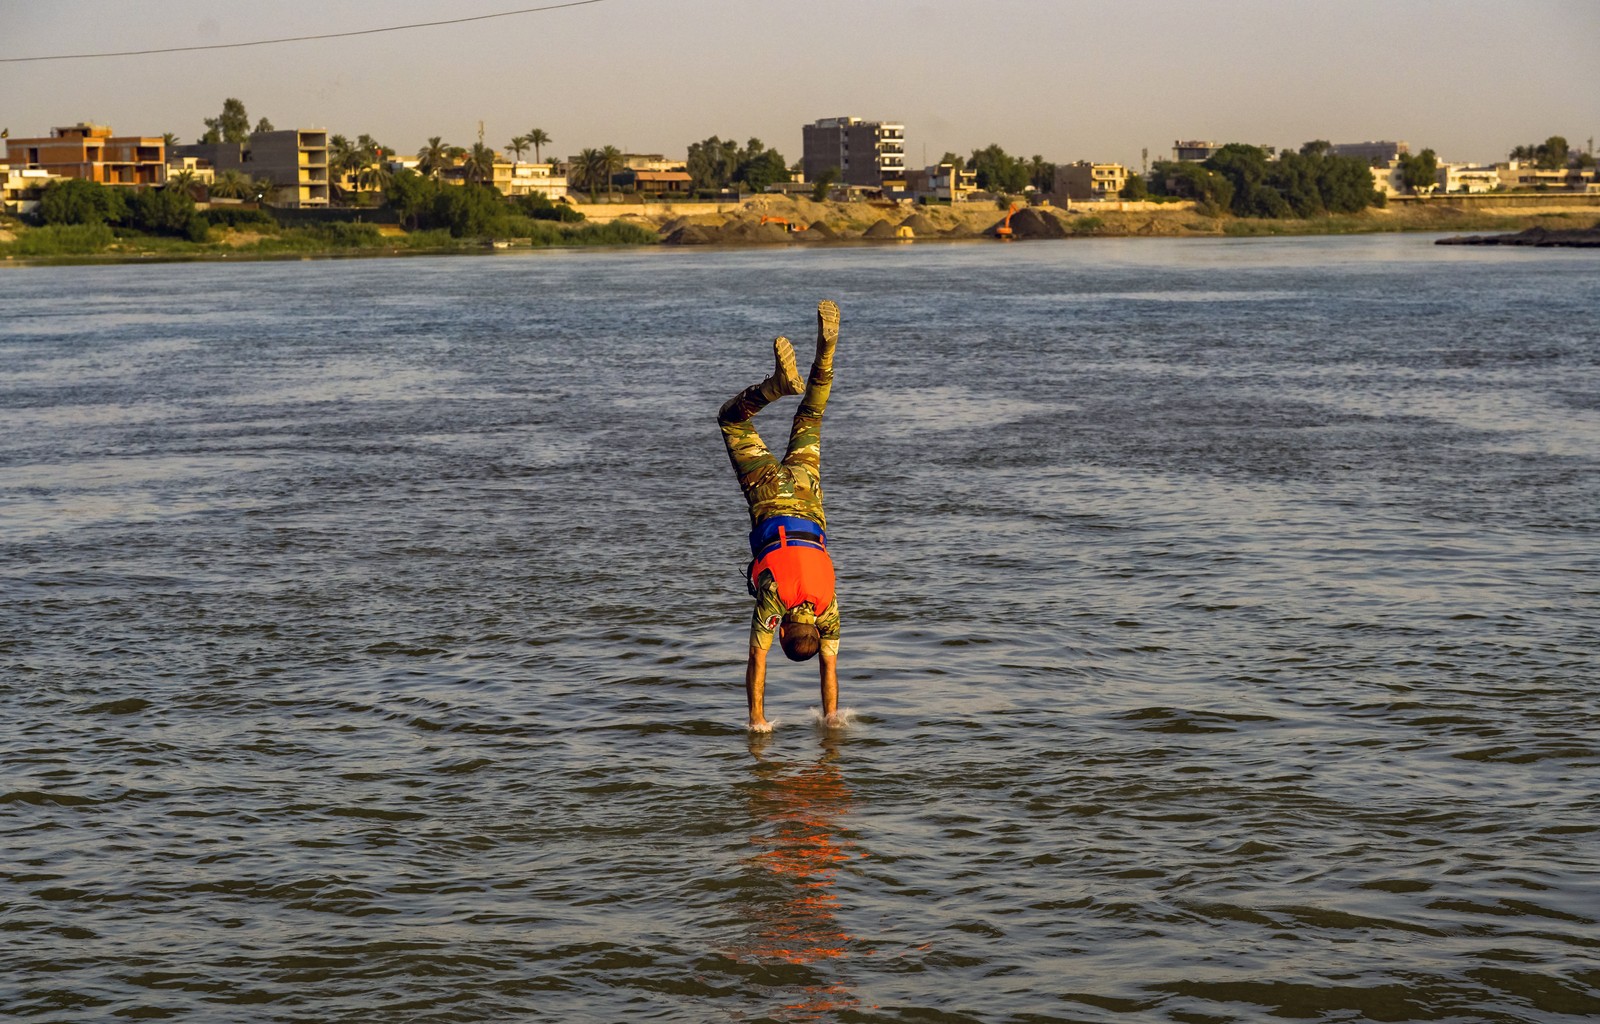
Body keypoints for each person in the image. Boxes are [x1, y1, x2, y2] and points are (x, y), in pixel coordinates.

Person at [718, 300, 841, 732]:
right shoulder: (775, 603)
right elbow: (757, 659)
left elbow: (830, 667)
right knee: (731, 422)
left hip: (808, 494)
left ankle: (825, 352)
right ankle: (773, 386)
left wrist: (832, 716)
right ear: (786, 633)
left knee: (812, 414)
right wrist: (757, 721)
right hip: (769, 495)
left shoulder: (829, 610)